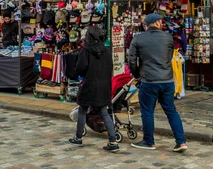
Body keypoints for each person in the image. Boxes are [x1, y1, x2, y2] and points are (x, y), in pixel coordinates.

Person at [128, 13, 188, 152]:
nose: (161, 23)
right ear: (156, 23)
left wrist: (137, 75)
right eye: (160, 21)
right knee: (171, 111)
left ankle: (149, 141)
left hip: (149, 80)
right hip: (166, 80)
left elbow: (131, 60)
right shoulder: (167, 37)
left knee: (147, 111)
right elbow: (168, 56)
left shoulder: (138, 39)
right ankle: (181, 141)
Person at [68, 26, 120, 152]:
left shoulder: (85, 50)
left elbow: (80, 68)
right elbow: (110, 68)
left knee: (82, 110)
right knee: (104, 112)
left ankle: (78, 137)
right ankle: (113, 141)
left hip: (89, 84)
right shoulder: (106, 51)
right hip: (103, 86)